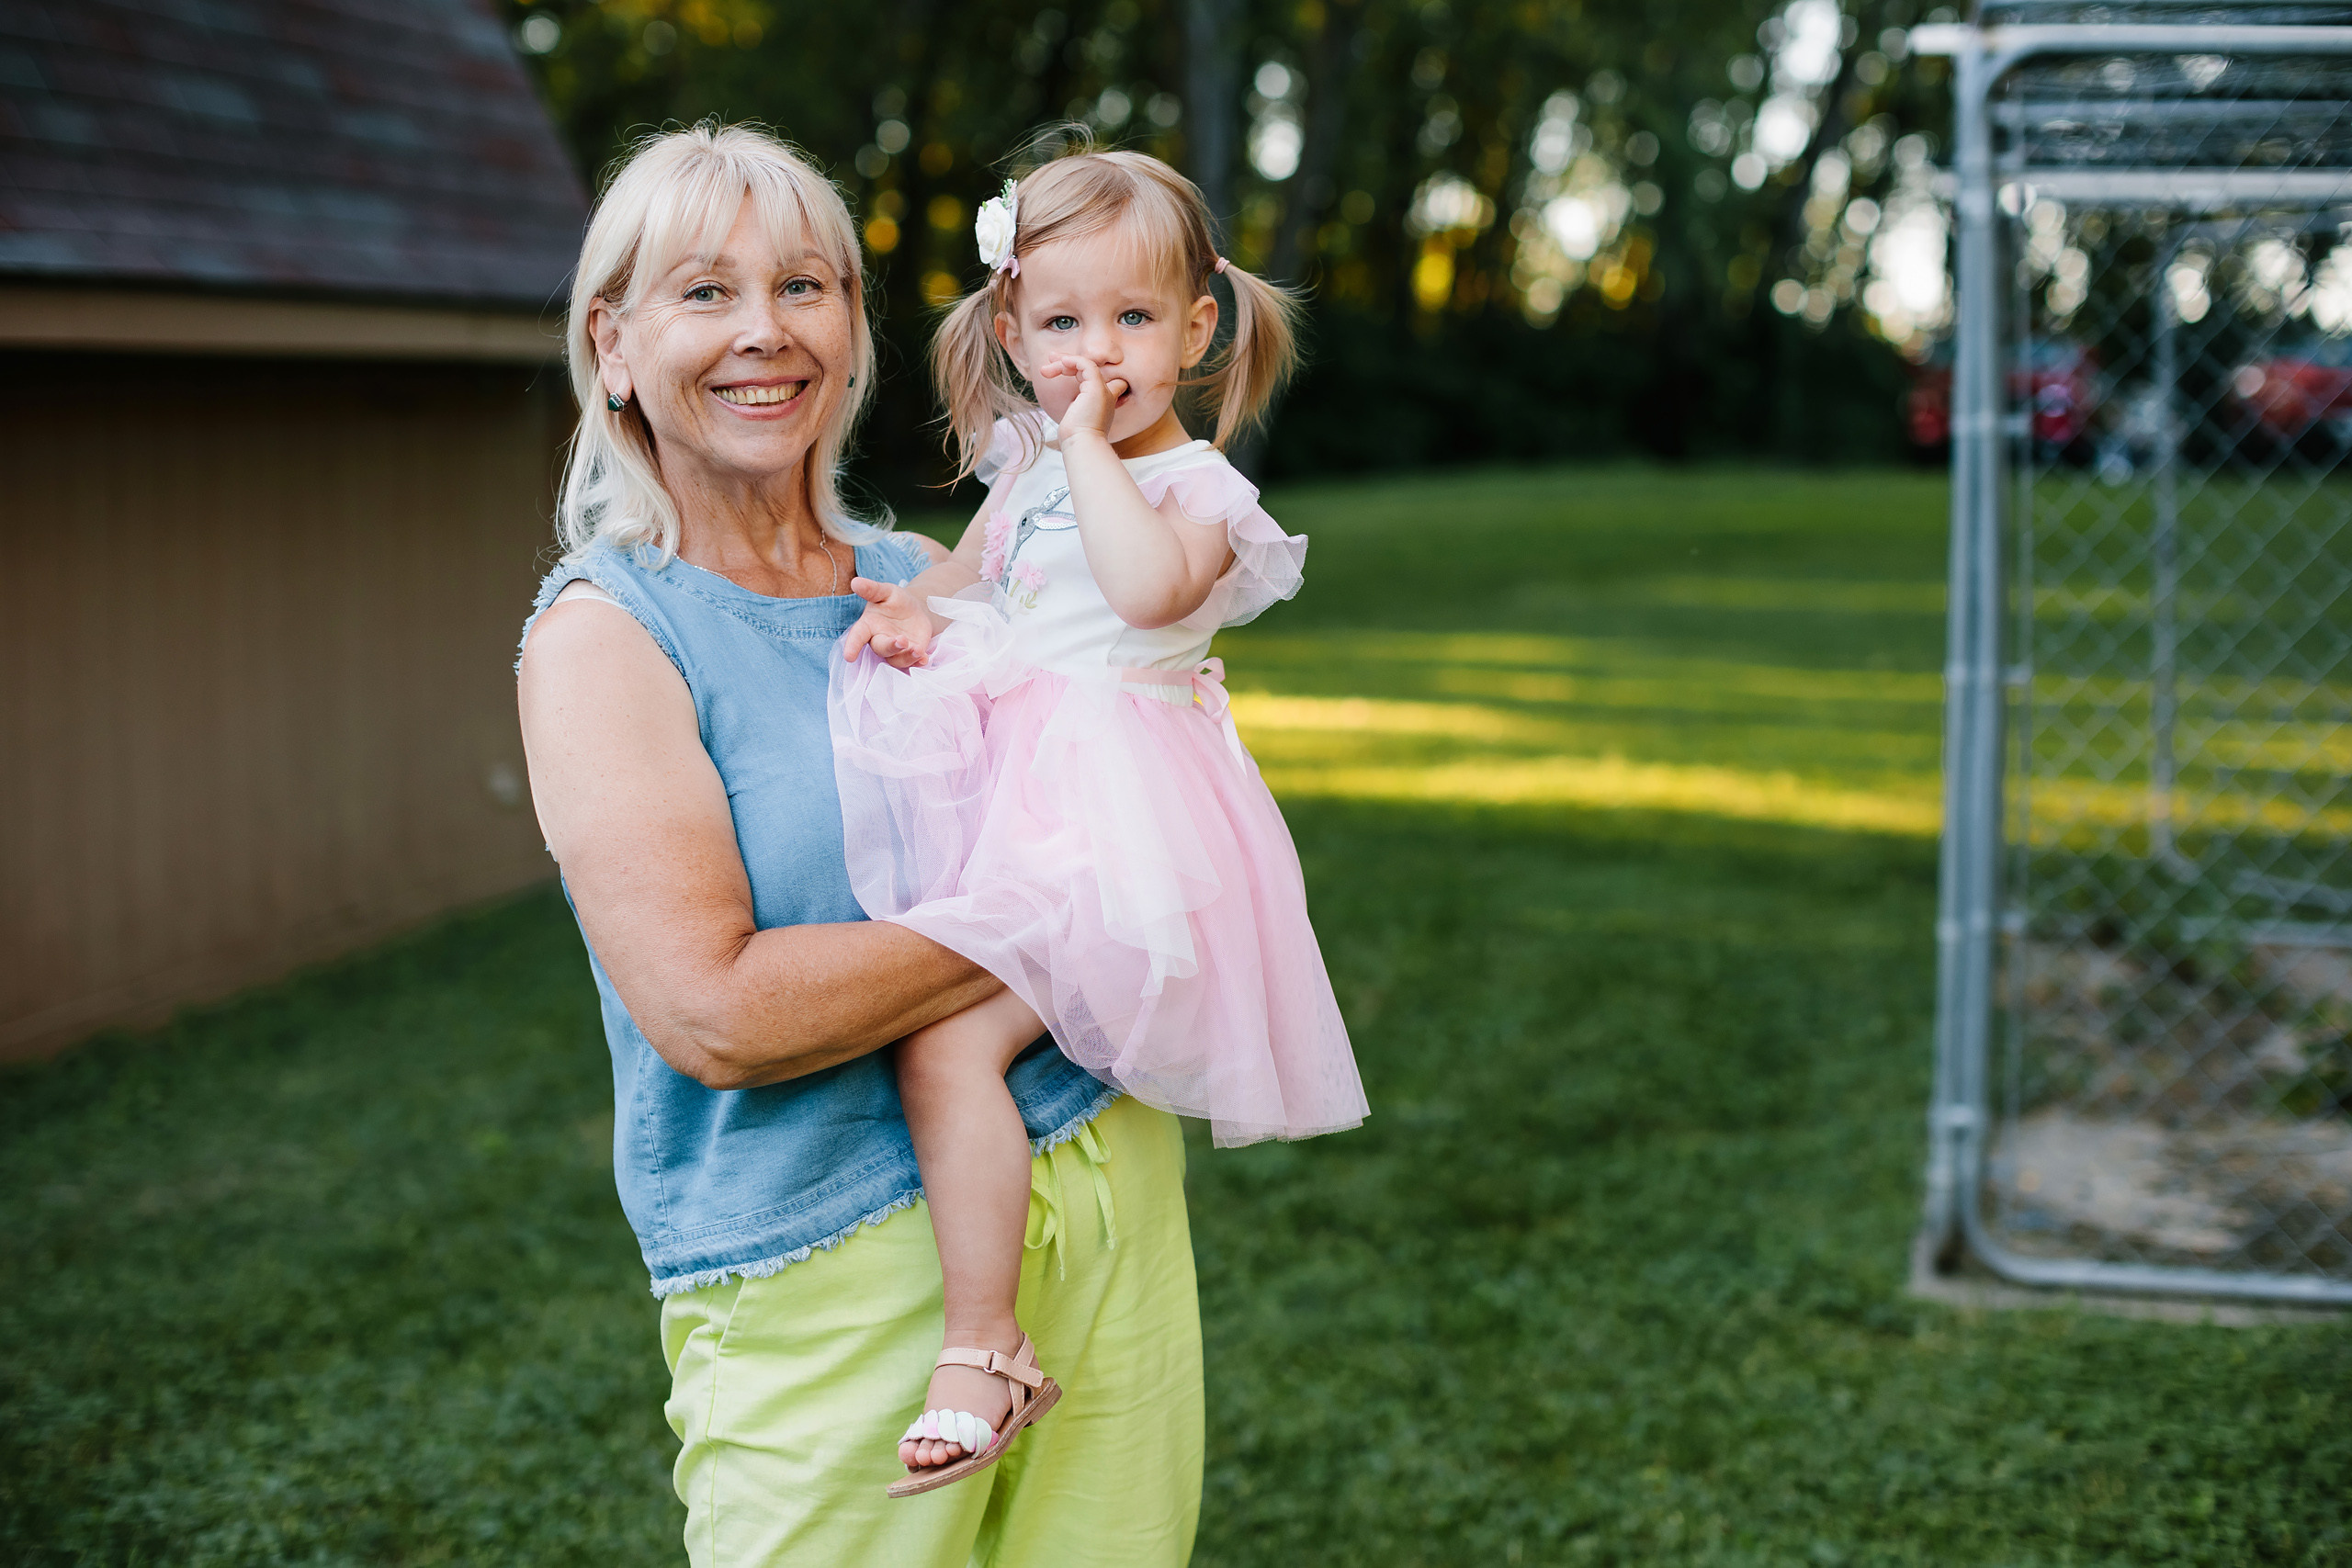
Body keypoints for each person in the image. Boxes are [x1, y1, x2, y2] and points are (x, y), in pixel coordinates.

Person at [514, 122, 1202, 1566]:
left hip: (1103, 1187)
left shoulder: (931, 575)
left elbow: (1154, 774)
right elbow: (720, 1009)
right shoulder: (610, 636)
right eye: (704, 292)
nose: (766, 331)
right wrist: (1054, 904)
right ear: (614, 344)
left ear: (853, 327)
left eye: (807, 286)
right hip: (824, 1266)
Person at [828, 142, 1369, 1493]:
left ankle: (980, 1345)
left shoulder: (1200, 494)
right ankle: (983, 1326)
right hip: (1025, 789)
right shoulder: (1030, 462)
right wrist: (917, 607)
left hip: (1120, 828)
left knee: (945, 1046)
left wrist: (1083, 447)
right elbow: (983, 570)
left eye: (1133, 319)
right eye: (1063, 322)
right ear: (1014, 331)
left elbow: (1137, 594)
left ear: (1197, 330)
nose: (1097, 352)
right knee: (937, 1027)